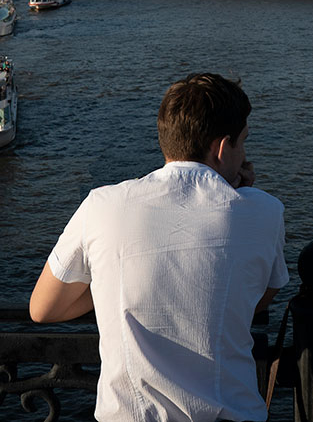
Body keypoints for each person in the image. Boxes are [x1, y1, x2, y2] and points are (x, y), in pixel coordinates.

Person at [30, 73, 288, 422]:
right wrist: (241, 194)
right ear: (223, 148)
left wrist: (116, 277)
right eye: (243, 143)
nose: (245, 154)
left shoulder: (102, 205)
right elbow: (257, 296)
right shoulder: (264, 211)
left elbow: (43, 309)